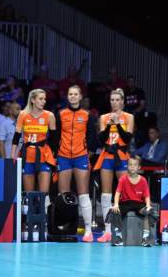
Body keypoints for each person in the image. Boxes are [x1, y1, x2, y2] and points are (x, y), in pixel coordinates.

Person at [54, 85, 99, 242]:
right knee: (63, 196)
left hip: (81, 157)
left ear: (80, 97)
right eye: (70, 94)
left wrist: (88, 153)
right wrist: (55, 154)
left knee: (83, 194)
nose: (73, 97)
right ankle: (63, 227)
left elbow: (93, 138)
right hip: (63, 156)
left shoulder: (87, 115)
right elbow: (55, 135)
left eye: (75, 94)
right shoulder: (60, 113)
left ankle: (88, 231)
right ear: (68, 96)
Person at [94, 88, 134, 243]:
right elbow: (101, 139)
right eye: (112, 100)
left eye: (118, 100)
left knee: (125, 191)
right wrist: (110, 124)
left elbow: (127, 138)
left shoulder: (129, 117)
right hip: (107, 156)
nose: (115, 103)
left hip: (122, 157)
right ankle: (107, 230)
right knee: (106, 194)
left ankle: (124, 228)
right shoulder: (104, 117)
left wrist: (117, 125)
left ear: (122, 101)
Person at [11, 89, 57, 201]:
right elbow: (16, 137)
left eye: (44, 99)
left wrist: (54, 156)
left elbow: (55, 140)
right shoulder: (23, 114)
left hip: (44, 156)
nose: (44, 101)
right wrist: (13, 155)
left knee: (44, 195)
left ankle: (44, 218)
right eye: (40, 99)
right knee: (29, 194)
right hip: (27, 157)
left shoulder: (49, 115)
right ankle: (29, 218)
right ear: (33, 100)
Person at [110, 156, 153, 247]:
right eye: (130, 165)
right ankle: (119, 238)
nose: (132, 167)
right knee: (116, 212)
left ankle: (145, 239)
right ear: (127, 166)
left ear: (139, 167)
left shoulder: (143, 180)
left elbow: (147, 195)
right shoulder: (123, 179)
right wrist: (116, 204)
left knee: (146, 212)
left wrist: (148, 206)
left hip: (138, 203)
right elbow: (117, 193)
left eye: (135, 165)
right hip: (125, 202)